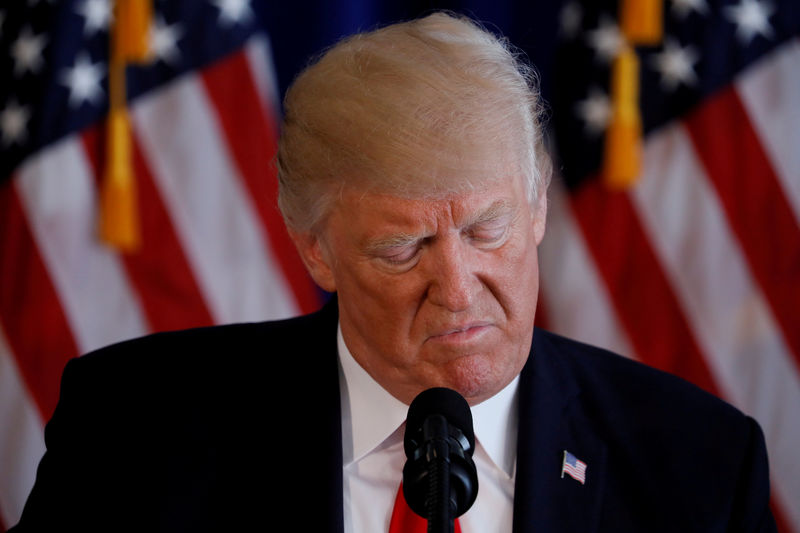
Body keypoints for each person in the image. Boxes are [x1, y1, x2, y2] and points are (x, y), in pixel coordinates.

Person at [10, 12, 775, 533]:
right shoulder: (131, 434)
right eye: (404, 247)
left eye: (487, 228)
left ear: (538, 205)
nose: (459, 284)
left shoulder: (700, 465)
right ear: (316, 248)